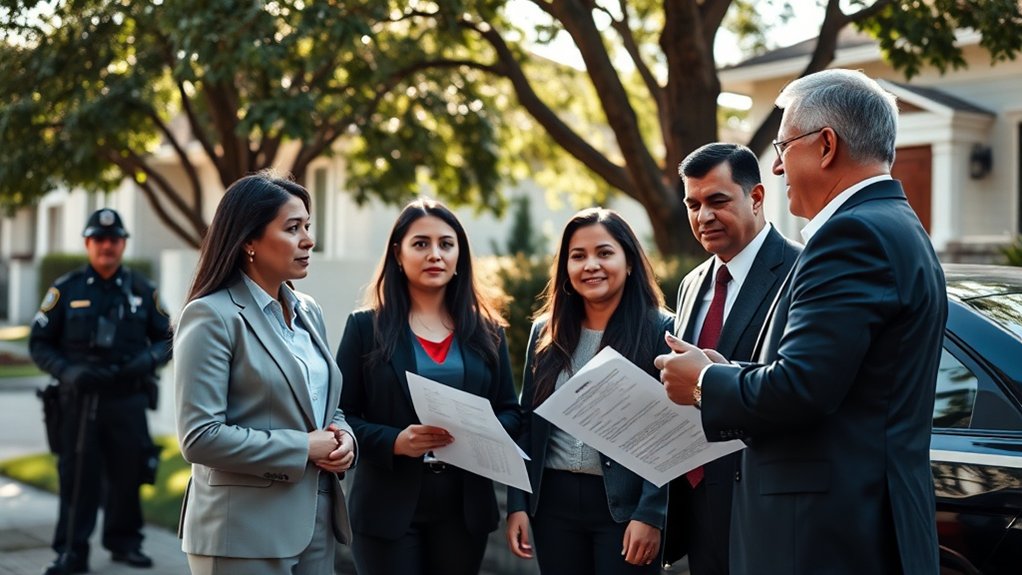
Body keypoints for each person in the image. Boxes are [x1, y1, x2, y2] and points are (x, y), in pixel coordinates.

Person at [657, 69, 947, 575]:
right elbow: (839, 377)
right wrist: (732, 370)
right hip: (854, 522)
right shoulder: (896, 224)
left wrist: (705, 383)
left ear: (826, 145)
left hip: (823, 536)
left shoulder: (850, 235)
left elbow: (803, 388)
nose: (775, 167)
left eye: (784, 146)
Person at [174, 173, 356, 575]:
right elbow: (199, 437)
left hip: (315, 525)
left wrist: (346, 440)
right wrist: (304, 447)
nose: (308, 239)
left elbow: (325, 409)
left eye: (307, 226)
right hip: (240, 532)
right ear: (249, 242)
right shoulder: (211, 316)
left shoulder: (310, 311)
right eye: (293, 228)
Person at [336, 198, 520, 575]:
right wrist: (395, 441)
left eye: (446, 244)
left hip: (463, 507)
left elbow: (511, 412)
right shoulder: (363, 328)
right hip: (386, 505)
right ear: (398, 254)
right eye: (421, 244)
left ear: (459, 257)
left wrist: (482, 431)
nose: (435, 254)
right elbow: (340, 417)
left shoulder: (488, 332)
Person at [506, 207, 671, 575]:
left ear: (629, 262)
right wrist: (517, 503)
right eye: (577, 256)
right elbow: (528, 425)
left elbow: (669, 435)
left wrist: (652, 513)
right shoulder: (545, 334)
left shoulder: (660, 331)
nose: (590, 265)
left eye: (605, 253)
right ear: (565, 268)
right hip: (552, 506)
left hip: (624, 508)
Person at [662, 143, 801, 574]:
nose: (703, 216)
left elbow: (795, 387)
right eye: (693, 204)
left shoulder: (802, 271)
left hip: (761, 504)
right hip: (695, 500)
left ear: (756, 198)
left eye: (717, 201)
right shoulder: (691, 283)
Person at [30, 208, 171, 575]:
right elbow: (39, 343)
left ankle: (125, 543)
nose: (107, 246)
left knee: (129, 474)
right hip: (80, 402)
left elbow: (167, 340)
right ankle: (71, 552)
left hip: (127, 399)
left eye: (114, 239)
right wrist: (69, 371)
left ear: (123, 243)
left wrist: (146, 361)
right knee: (77, 477)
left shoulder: (143, 290)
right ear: (87, 244)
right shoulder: (66, 289)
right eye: (99, 239)